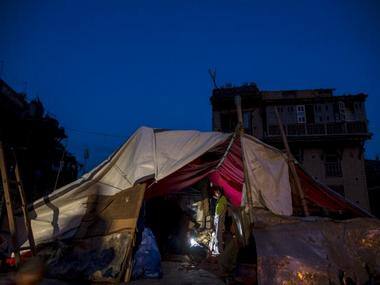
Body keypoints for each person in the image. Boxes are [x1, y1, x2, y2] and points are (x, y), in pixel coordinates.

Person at [210, 186, 227, 255]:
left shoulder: (222, 199)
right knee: (216, 235)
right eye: (216, 192)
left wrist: (220, 217)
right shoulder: (219, 199)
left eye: (217, 192)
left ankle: (219, 251)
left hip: (219, 217)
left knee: (218, 235)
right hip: (217, 217)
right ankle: (216, 250)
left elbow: (223, 209)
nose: (216, 193)